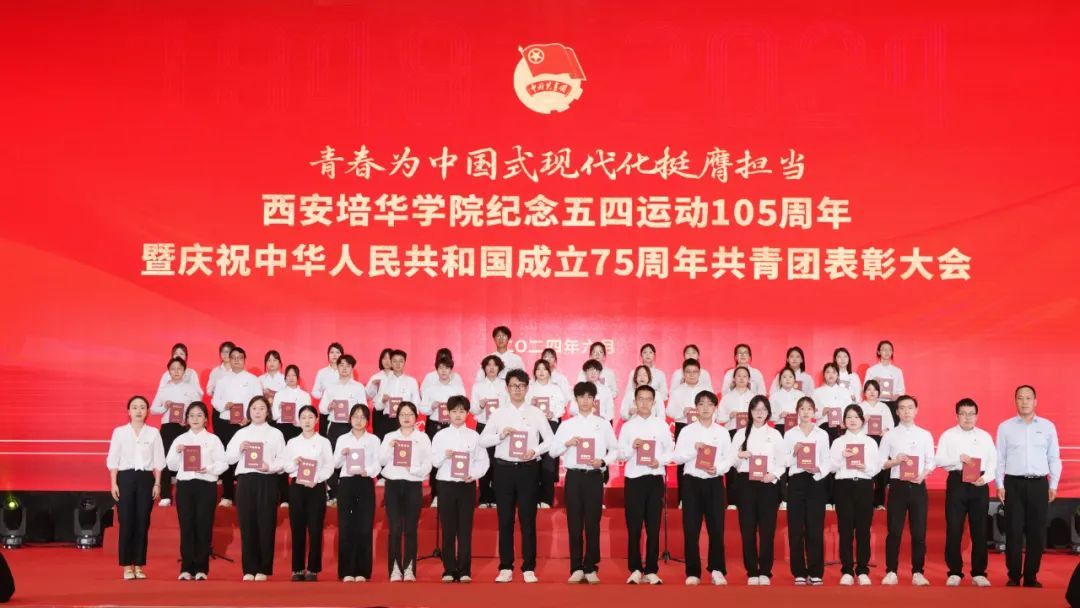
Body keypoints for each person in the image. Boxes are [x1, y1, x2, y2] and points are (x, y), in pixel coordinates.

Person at [479, 368, 555, 584]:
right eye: (513, 385)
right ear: (507, 388)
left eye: (521, 386)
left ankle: (529, 567)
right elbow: (482, 440)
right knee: (505, 520)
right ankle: (505, 567)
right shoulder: (498, 414)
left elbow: (550, 440)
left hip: (528, 470)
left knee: (528, 520)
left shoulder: (536, 413)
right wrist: (500, 436)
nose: (517, 389)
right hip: (503, 470)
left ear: (527, 388)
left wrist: (535, 451)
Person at [550, 381, 619, 584]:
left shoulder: (603, 424)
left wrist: (603, 461)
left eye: (589, 397)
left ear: (594, 400)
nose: (586, 401)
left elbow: (615, 450)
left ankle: (590, 567)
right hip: (574, 477)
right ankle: (576, 568)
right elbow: (553, 451)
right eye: (582, 397)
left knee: (592, 523)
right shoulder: (567, 425)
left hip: (594, 476)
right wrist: (567, 443)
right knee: (574, 523)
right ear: (576, 399)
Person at [995, 385, 1062, 588]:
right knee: (1013, 531)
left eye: (1028, 398)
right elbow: (999, 458)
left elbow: (1054, 457)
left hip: (1039, 484)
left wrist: (1054, 484)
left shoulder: (1048, 426)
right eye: (1020, 398)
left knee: (1037, 532)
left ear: (1035, 401)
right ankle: (1014, 576)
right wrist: (999, 484)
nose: (1024, 402)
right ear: (1015, 401)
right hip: (1013, 484)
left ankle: (1031, 576)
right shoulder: (1005, 427)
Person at [672, 389, 732, 586]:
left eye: (709, 404)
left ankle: (717, 570)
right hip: (692, 483)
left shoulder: (722, 432)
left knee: (717, 529)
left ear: (715, 408)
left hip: (714, 482)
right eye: (701, 404)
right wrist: (693, 450)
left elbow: (728, 459)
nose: (705, 408)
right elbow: (677, 457)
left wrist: (718, 469)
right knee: (691, 529)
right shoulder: (687, 431)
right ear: (696, 408)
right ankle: (693, 572)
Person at [935, 398, 996, 587]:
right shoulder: (948, 435)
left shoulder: (985, 436)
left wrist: (985, 479)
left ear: (977, 416)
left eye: (971, 414)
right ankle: (954, 571)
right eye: (963, 413)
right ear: (957, 416)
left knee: (980, 530)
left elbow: (993, 462)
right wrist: (958, 459)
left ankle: (979, 573)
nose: (967, 417)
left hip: (979, 484)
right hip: (957, 483)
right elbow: (939, 460)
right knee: (954, 529)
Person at [617, 384, 674, 585]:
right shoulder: (628, 427)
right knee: (634, 527)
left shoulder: (661, 425)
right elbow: (620, 454)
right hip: (634, 479)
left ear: (653, 402)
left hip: (654, 478)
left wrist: (660, 461)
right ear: (635, 401)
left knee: (653, 527)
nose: (644, 403)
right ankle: (634, 569)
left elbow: (671, 450)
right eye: (640, 399)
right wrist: (631, 447)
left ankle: (651, 569)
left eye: (648, 399)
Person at [225, 396, 286, 581]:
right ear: (249, 412)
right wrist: (239, 449)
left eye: (261, 408)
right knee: (247, 524)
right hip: (246, 480)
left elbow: (282, 460)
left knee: (266, 523)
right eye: (254, 408)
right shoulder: (241, 433)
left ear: (267, 412)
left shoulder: (276, 433)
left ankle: (263, 568)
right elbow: (228, 458)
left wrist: (270, 467)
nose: (257, 411)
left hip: (267, 480)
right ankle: (249, 569)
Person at [431, 396, 490, 583]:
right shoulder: (440, 436)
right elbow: (434, 462)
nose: (458, 415)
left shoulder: (474, 436)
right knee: (448, 529)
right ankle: (449, 569)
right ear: (448, 413)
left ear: (467, 414)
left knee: (465, 530)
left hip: (466, 485)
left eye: (462, 411)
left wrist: (473, 474)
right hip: (446, 485)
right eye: (454, 411)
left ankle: (465, 570)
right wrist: (444, 455)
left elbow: (483, 461)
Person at [165, 402, 227, 580]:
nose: (195, 419)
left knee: (204, 526)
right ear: (186, 419)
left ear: (206, 419)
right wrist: (177, 452)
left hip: (206, 485)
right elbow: (171, 465)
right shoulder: (180, 440)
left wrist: (208, 468)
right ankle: (186, 568)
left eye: (199, 415)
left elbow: (223, 464)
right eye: (191, 415)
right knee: (186, 526)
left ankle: (201, 569)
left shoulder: (213, 440)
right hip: (185, 486)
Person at [106, 395, 165, 580]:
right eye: (134, 407)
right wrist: (113, 483)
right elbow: (113, 459)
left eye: (142, 407)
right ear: (128, 411)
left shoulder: (153, 433)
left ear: (147, 411)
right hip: (125, 478)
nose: (138, 410)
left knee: (142, 522)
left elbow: (159, 461)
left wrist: (157, 483)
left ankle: (139, 565)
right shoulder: (119, 432)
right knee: (126, 522)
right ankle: (126, 566)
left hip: (146, 479)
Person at [879, 395, 936, 586]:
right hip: (898, 486)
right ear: (896, 412)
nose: (906, 411)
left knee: (919, 533)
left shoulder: (925, 434)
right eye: (902, 408)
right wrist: (895, 461)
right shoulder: (890, 435)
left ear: (916, 410)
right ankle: (891, 571)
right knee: (894, 532)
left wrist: (923, 474)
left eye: (910, 407)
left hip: (918, 485)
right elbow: (881, 462)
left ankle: (918, 572)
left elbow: (931, 461)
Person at [730, 395, 785, 585]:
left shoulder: (775, 434)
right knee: (748, 529)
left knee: (767, 530)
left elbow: (782, 461)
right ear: (750, 412)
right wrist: (739, 455)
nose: (760, 413)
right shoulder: (740, 434)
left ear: (768, 412)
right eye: (756, 409)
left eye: (763, 409)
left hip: (768, 484)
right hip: (746, 484)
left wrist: (773, 475)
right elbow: (731, 460)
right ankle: (752, 571)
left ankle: (765, 571)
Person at [379, 402, 432, 582]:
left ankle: (409, 568)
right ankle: (395, 569)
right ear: (398, 417)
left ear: (416, 417)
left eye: (410, 414)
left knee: (410, 528)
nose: (406, 418)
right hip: (393, 485)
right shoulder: (389, 436)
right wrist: (390, 447)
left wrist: (414, 469)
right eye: (402, 414)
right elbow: (381, 460)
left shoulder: (422, 438)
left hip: (413, 485)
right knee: (394, 528)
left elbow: (428, 464)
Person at [830, 404, 882, 585]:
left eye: (856, 417)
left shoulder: (870, 442)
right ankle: (846, 570)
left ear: (862, 420)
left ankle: (862, 569)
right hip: (843, 486)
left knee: (863, 529)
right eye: (848, 417)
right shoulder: (838, 442)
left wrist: (865, 467)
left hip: (864, 486)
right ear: (844, 421)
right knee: (845, 529)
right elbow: (831, 467)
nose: (852, 420)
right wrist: (841, 457)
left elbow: (877, 468)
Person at [282, 406, 335, 581]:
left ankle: (313, 569)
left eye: (310, 417)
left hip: (316, 487)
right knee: (297, 528)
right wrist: (295, 463)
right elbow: (286, 467)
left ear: (317, 420)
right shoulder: (292, 442)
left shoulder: (323, 442)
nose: (307, 421)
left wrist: (317, 478)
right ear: (299, 420)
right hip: (297, 486)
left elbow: (329, 466)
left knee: (315, 528)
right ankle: (297, 569)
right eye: (303, 417)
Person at [783, 397, 831, 585]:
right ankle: (799, 572)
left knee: (815, 528)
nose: (805, 412)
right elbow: (784, 462)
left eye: (809, 409)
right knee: (795, 528)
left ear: (814, 412)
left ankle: (815, 571)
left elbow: (827, 460)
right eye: (802, 408)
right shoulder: (790, 434)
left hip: (815, 481)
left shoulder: (822, 434)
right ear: (797, 411)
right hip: (796, 482)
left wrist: (818, 469)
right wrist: (793, 452)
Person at [333, 404, 381, 582]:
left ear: (367, 421)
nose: (359, 420)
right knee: (346, 526)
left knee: (364, 526)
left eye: (362, 417)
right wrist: (342, 454)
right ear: (350, 419)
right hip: (346, 483)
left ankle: (362, 571)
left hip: (365, 482)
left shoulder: (373, 440)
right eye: (355, 416)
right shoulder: (342, 439)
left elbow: (378, 463)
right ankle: (346, 570)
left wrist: (368, 471)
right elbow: (335, 464)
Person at [210, 346, 262, 507]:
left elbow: (258, 401)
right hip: (226, 422)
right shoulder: (222, 380)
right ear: (229, 360)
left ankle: (245, 494)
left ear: (244, 360)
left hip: (246, 423)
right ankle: (227, 495)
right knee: (227, 456)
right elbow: (215, 401)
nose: (237, 360)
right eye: (234, 358)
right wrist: (224, 405)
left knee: (247, 456)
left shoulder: (253, 379)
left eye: (240, 358)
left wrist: (249, 418)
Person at [150, 357, 201, 506]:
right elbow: (153, 409)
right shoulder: (164, 389)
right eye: (173, 369)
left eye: (179, 368)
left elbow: (198, 407)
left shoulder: (190, 389)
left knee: (188, 458)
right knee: (165, 458)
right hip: (168, 427)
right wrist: (164, 407)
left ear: (184, 371)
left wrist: (188, 419)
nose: (176, 371)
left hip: (185, 427)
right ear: (169, 371)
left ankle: (187, 493)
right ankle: (165, 495)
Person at [320, 354, 367, 504]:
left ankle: (351, 494)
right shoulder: (330, 387)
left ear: (352, 368)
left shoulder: (358, 387)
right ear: (337, 367)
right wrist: (329, 406)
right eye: (341, 365)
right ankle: (334, 493)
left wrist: (354, 416)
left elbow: (364, 408)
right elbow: (322, 408)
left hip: (352, 427)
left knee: (352, 459)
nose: (344, 368)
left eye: (348, 366)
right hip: (335, 426)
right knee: (333, 460)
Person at [421, 352, 466, 508]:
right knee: (436, 460)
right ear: (437, 370)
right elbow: (422, 408)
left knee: (455, 458)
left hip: (452, 427)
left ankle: (454, 495)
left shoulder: (457, 388)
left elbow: (464, 407)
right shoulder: (430, 389)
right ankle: (436, 495)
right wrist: (432, 406)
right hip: (435, 426)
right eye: (441, 368)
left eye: (447, 368)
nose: (444, 371)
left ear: (451, 370)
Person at [527, 359, 570, 509]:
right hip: (533, 427)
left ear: (549, 372)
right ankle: (533, 498)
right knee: (533, 460)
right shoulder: (530, 389)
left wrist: (553, 413)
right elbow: (523, 408)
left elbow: (562, 408)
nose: (541, 372)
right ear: (534, 372)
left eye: (544, 369)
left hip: (550, 424)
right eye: (538, 369)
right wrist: (530, 404)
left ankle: (546, 499)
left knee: (549, 461)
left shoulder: (555, 389)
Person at [666, 358, 707, 505]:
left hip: (702, 427)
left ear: (699, 373)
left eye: (695, 372)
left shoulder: (706, 390)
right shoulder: (677, 391)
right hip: (683, 426)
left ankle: (702, 499)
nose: (691, 374)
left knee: (703, 461)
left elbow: (714, 410)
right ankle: (683, 499)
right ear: (683, 373)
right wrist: (682, 412)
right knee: (682, 462)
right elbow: (669, 411)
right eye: (688, 372)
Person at [470, 355, 508, 508]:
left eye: (495, 365)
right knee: (483, 460)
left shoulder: (505, 385)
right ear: (484, 368)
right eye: (488, 365)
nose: (491, 368)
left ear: (499, 368)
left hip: (500, 429)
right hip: (483, 427)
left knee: (499, 462)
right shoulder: (478, 386)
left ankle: (498, 498)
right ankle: (484, 498)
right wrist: (480, 405)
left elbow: (509, 406)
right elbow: (473, 410)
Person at [859, 379, 895, 508]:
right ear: (864, 392)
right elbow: (853, 425)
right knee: (865, 470)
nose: (872, 392)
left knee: (881, 471)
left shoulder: (884, 407)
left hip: (881, 440)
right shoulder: (860, 407)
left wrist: (886, 430)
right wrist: (863, 420)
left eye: (875, 389)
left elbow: (891, 424)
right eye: (869, 389)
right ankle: (865, 501)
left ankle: (879, 502)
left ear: (879, 392)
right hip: (865, 441)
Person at [374, 349, 420, 439]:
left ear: (405, 362)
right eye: (395, 361)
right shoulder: (384, 380)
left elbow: (416, 404)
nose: (398, 364)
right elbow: (378, 406)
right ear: (391, 362)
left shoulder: (412, 381)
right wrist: (383, 400)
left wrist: (411, 421)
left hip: (405, 421)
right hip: (387, 421)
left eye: (401, 361)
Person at [865, 340, 906, 424]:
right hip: (876, 403)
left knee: (893, 427)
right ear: (879, 352)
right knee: (876, 428)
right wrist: (873, 382)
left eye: (889, 349)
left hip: (892, 404)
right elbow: (865, 389)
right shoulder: (871, 370)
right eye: (884, 349)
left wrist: (896, 396)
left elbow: (901, 390)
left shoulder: (897, 371)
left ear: (892, 352)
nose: (887, 352)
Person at [312, 342, 345, 439]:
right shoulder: (322, 372)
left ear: (342, 355)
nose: (335, 355)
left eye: (338, 352)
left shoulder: (346, 371)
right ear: (328, 355)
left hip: (342, 410)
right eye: (332, 352)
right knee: (325, 439)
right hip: (326, 410)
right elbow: (314, 391)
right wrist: (325, 396)